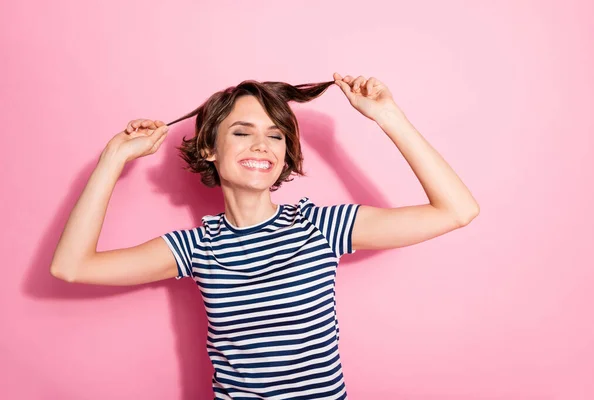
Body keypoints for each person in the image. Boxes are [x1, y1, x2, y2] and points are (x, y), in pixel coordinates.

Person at [50, 72, 479, 399]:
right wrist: (114, 157)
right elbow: (71, 267)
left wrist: (387, 115)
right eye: (242, 132)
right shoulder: (194, 248)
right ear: (209, 149)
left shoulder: (321, 227)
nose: (263, 145)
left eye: (275, 135)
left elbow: (457, 210)